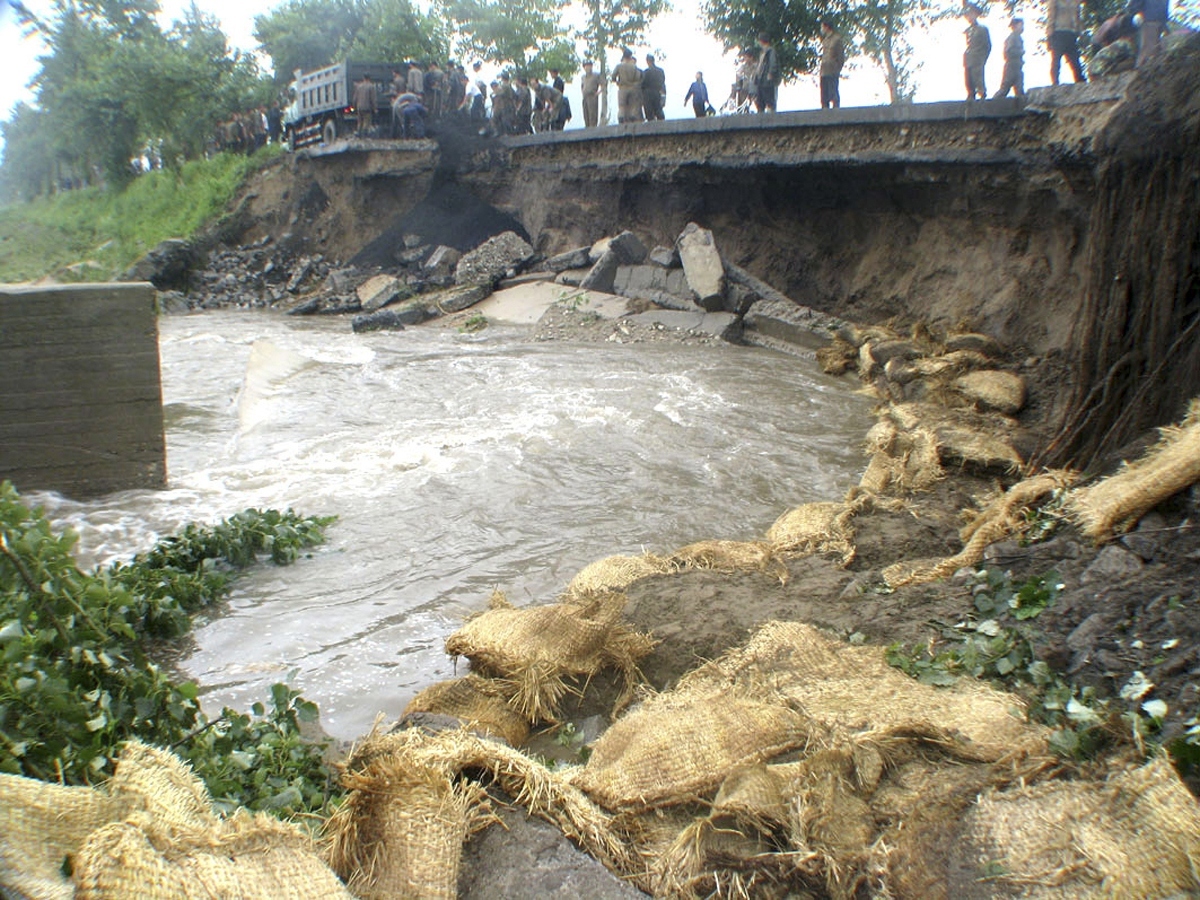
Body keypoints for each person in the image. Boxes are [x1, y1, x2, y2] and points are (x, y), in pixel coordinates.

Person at [1046, 0, 1086, 84]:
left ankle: (1079, 81)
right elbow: (1051, 15)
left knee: (1075, 61)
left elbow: (1078, 16)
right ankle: (1055, 82)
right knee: (1056, 60)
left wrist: (1080, 32)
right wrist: (1049, 35)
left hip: (1071, 33)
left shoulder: (1075, 2)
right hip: (1058, 32)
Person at [1126, 0, 1170, 66]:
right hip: (1149, 20)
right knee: (1148, 50)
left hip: (1163, 20)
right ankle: (1141, 71)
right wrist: (1138, 12)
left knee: (1162, 49)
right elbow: (1133, 4)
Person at [962, 3, 991, 101]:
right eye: (968, 15)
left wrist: (983, 58)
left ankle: (982, 94)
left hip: (978, 58)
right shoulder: (968, 30)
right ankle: (970, 95)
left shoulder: (982, 29)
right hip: (969, 58)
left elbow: (987, 46)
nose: (969, 17)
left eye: (971, 14)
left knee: (978, 78)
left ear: (976, 15)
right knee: (968, 80)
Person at [993, 17, 1025, 98]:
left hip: (1017, 66)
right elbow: (1008, 51)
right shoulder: (1012, 37)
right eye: (1020, 25)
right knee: (1005, 88)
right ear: (1015, 26)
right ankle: (992, 103)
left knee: (1020, 90)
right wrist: (1020, 52)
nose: (1022, 27)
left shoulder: (1018, 37)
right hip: (1011, 66)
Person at [819, 21, 846, 109]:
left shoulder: (837, 39)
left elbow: (841, 57)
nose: (821, 29)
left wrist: (837, 69)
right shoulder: (825, 40)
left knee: (833, 94)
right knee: (824, 96)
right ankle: (824, 113)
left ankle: (836, 113)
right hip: (824, 71)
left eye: (822, 27)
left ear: (827, 27)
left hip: (832, 71)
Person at [612, 48, 643, 124]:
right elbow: (638, 77)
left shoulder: (619, 66)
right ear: (630, 56)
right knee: (632, 105)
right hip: (632, 88)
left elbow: (613, 76)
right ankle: (632, 117)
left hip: (622, 88)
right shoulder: (634, 67)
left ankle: (621, 117)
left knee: (622, 106)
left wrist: (617, 82)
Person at [754, 33, 780, 112]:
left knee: (769, 101)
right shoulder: (763, 52)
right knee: (760, 102)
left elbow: (773, 63)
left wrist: (771, 73)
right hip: (761, 81)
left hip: (767, 81)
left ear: (761, 41)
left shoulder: (770, 51)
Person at [641, 54, 666, 120]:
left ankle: (651, 126)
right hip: (657, 92)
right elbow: (663, 81)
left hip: (648, 93)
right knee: (658, 109)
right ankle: (662, 124)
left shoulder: (646, 72)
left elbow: (643, 84)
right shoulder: (660, 71)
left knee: (649, 112)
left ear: (647, 61)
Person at [580, 60, 602, 128]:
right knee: (585, 115)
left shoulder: (596, 75)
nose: (587, 68)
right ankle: (587, 129)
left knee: (592, 115)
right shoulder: (583, 77)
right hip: (585, 97)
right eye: (586, 66)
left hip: (592, 96)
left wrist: (598, 92)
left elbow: (604, 85)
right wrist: (583, 92)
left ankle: (593, 129)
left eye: (589, 66)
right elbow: (582, 85)